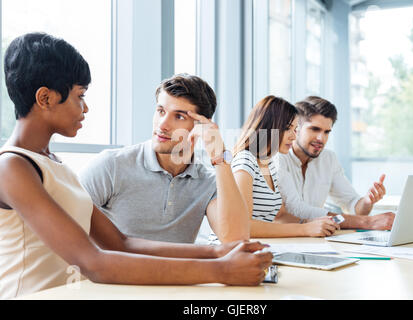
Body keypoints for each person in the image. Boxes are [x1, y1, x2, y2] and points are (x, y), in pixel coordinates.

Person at [0, 33, 272, 300]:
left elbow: (122, 243)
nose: (85, 109)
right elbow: (93, 262)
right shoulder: (12, 167)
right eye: (79, 96)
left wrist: (216, 254)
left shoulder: (55, 165)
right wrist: (220, 270)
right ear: (45, 98)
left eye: (178, 115)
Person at [79, 73, 250, 244]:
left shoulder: (209, 182)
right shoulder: (111, 166)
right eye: (161, 111)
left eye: (179, 116)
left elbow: (235, 239)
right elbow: (65, 228)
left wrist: (220, 158)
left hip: (178, 271)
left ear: (202, 127)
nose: (162, 125)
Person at [224, 95, 341, 239]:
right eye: (287, 128)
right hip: (232, 254)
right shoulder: (245, 161)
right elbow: (243, 226)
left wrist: (312, 223)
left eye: (295, 129)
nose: (293, 136)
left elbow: (280, 215)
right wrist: (304, 229)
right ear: (269, 127)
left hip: (258, 249)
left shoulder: (269, 164)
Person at [277, 96, 395, 230]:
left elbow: (354, 206)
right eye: (314, 129)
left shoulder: (328, 159)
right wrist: (366, 222)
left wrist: (367, 201)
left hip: (315, 240)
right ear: (295, 129)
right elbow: (294, 211)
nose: (321, 138)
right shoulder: (278, 157)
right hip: (285, 239)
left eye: (326, 132)